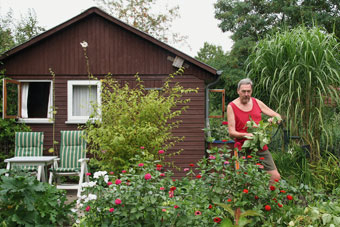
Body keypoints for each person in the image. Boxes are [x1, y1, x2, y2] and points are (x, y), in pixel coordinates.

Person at [227, 78, 281, 184]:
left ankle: (267, 199)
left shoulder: (257, 102)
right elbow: (231, 133)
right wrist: (247, 135)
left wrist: (273, 120)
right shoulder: (231, 106)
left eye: (249, 91)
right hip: (242, 148)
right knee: (244, 181)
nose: (246, 94)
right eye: (243, 91)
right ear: (238, 91)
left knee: (275, 177)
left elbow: (277, 116)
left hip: (260, 146)